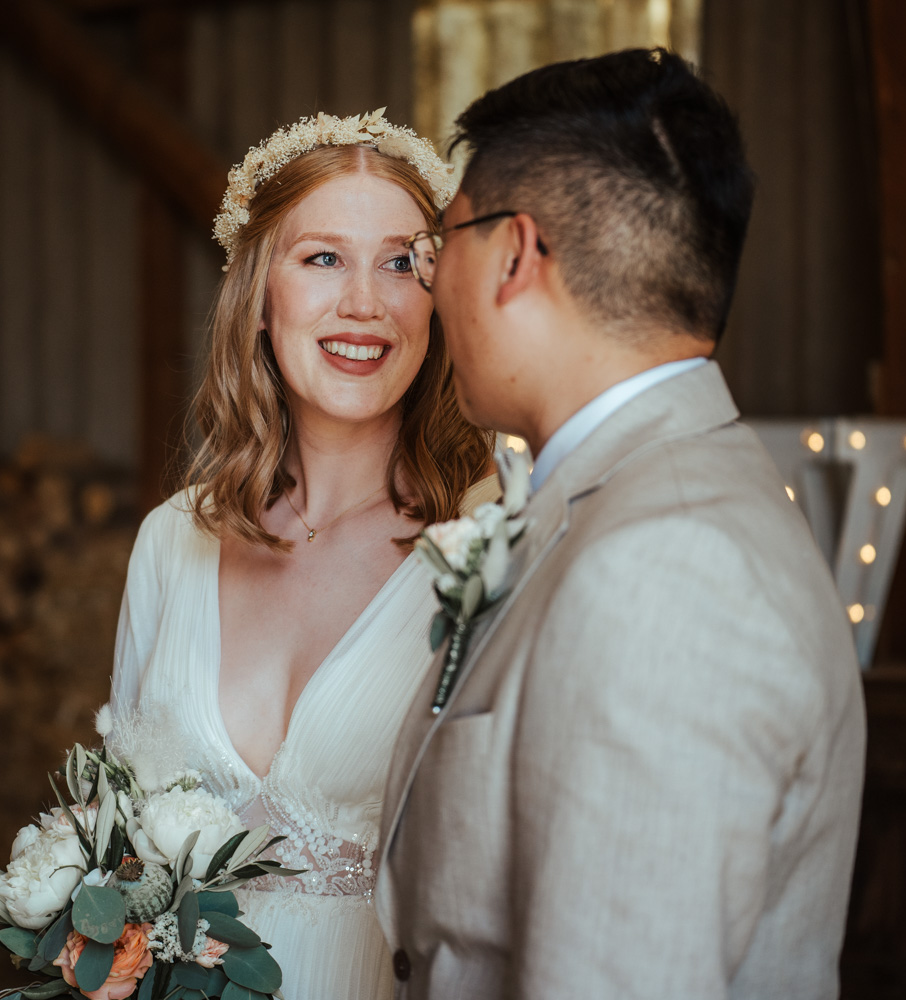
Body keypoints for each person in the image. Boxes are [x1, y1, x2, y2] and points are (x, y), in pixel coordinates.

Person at [376, 50, 867, 998]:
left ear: (514, 254)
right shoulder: (648, 496)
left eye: (445, 243)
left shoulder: (667, 571)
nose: (431, 286)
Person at [102, 110, 495, 1000]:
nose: (365, 302)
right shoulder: (174, 539)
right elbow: (120, 844)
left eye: (403, 262)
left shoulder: (484, 542)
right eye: (323, 258)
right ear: (260, 293)